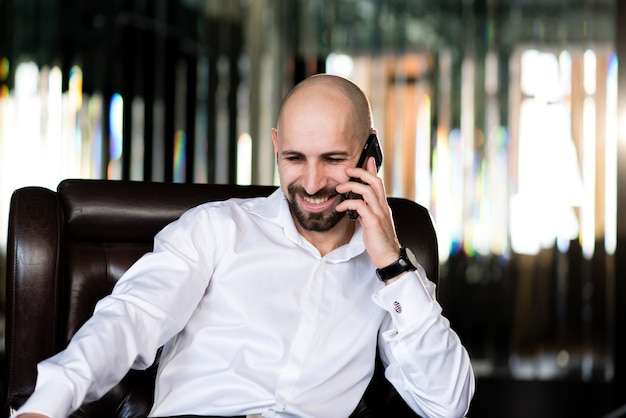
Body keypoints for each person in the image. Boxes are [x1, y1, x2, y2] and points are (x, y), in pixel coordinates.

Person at [14, 74, 474, 418]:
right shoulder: (216, 228)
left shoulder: (393, 275)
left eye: (333, 160)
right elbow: (129, 319)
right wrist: (46, 406)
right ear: (276, 148)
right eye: (294, 159)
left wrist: (391, 263)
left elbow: (448, 403)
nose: (311, 183)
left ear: (368, 158)